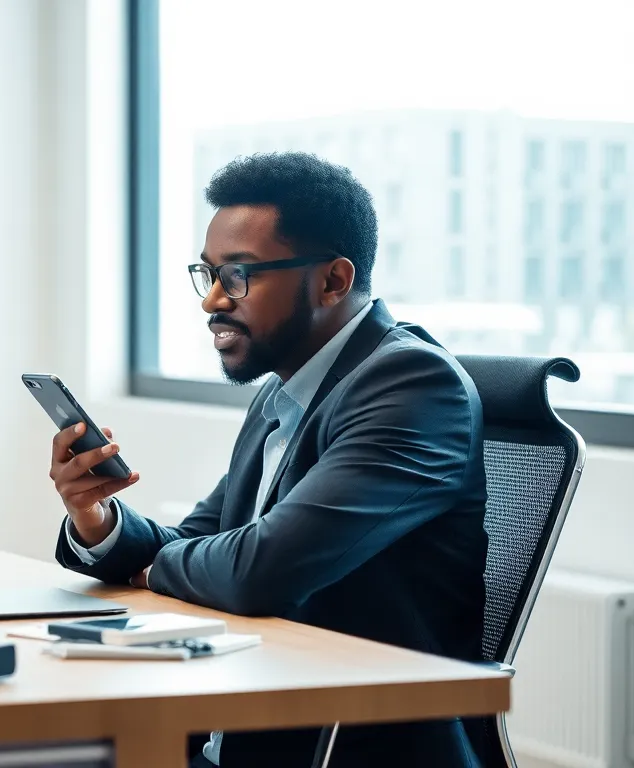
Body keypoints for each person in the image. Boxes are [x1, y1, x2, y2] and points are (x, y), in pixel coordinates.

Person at [48, 152, 488, 767]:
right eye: (208, 277)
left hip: (340, 745)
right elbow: (206, 542)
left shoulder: (411, 386)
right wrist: (100, 520)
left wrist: (167, 566)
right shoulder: (285, 391)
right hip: (242, 728)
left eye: (238, 277)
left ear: (333, 280)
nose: (212, 304)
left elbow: (260, 569)